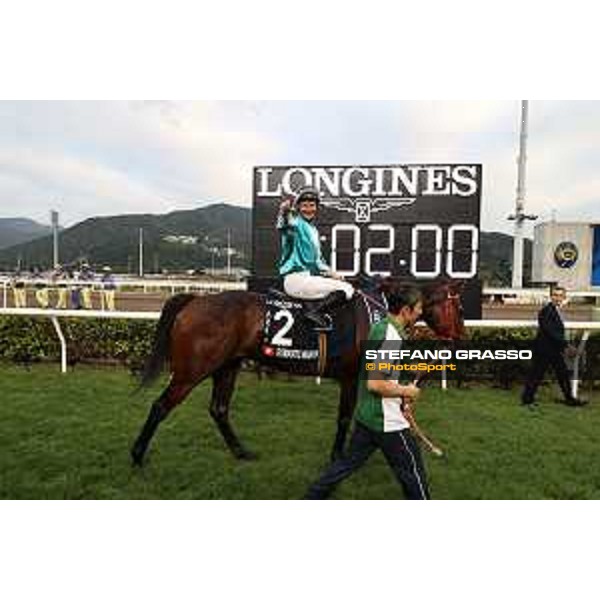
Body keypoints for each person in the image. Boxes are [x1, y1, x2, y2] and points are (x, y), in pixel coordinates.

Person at [304, 283, 430, 500]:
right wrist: (407, 391)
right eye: (418, 308)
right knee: (413, 474)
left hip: (366, 417)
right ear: (405, 310)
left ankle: (311, 497)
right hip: (388, 423)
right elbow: (376, 384)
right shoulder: (391, 336)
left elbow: (378, 370)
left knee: (344, 465)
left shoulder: (380, 326)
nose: (421, 312)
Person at [277, 187, 354, 328]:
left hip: (307, 279)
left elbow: (318, 261)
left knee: (344, 286)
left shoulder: (313, 230)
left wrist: (333, 274)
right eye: (304, 205)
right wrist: (284, 211)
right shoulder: (296, 223)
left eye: (312, 205)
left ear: (317, 207)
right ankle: (314, 313)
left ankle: (317, 314)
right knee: (347, 290)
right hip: (296, 280)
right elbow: (285, 225)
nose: (308, 209)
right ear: (298, 207)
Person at [521, 286, 586, 407]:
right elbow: (550, 331)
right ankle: (527, 399)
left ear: (564, 297)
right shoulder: (546, 311)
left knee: (563, 374)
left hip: (554, 350)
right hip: (544, 350)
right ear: (551, 297)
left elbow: (556, 331)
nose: (557, 298)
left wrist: (564, 345)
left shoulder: (556, 310)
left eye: (560, 295)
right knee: (536, 375)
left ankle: (569, 399)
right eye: (555, 295)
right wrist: (567, 345)